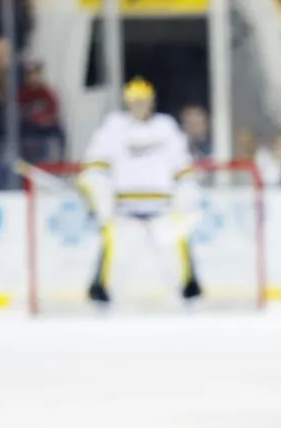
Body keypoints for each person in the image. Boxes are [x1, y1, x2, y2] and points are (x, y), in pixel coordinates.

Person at [77, 78, 202, 306]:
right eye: (135, 101)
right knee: (115, 257)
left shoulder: (166, 128)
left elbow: (183, 169)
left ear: (151, 101)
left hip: (162, 207)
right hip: (124, 209)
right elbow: (95, 169)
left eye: (143, 101)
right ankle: (100, 295)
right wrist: (100, 199)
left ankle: (190, 292)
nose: (139, 106)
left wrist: (184, 199)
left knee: (176, 253)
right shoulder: (113, 128)